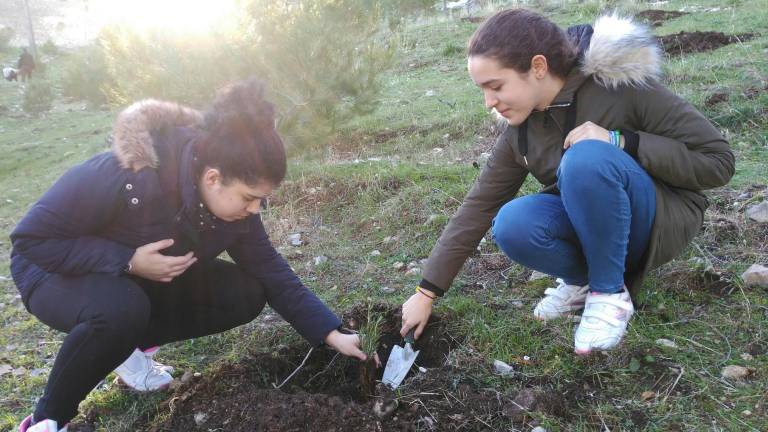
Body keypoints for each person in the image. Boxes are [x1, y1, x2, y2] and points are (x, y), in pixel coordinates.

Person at [11, 78, 368, 432]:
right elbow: (31, 239)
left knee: (246, 293)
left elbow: (269, 269)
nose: (256, 209)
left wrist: (330, 332)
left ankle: (128, 350)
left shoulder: (232, 211)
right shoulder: (129, 174)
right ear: (213, 178)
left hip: (133, 277)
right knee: (120, 310)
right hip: (51, 271)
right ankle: (46, 420)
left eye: (263, 199)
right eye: (249, 198)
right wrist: (128, 259)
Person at [400, 10, 734, 356]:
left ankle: (609, 295)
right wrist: (426, 293)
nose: (489, 102)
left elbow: (718, 162)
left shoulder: (618, 88)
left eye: (496, 86)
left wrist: (621, 142)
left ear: (538, 67)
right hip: (598, 226)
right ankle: (584, 282)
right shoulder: (521, 128)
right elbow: (478, 207)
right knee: (513, 224)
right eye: (482, 89)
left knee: (587, 157)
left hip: (658, 219)